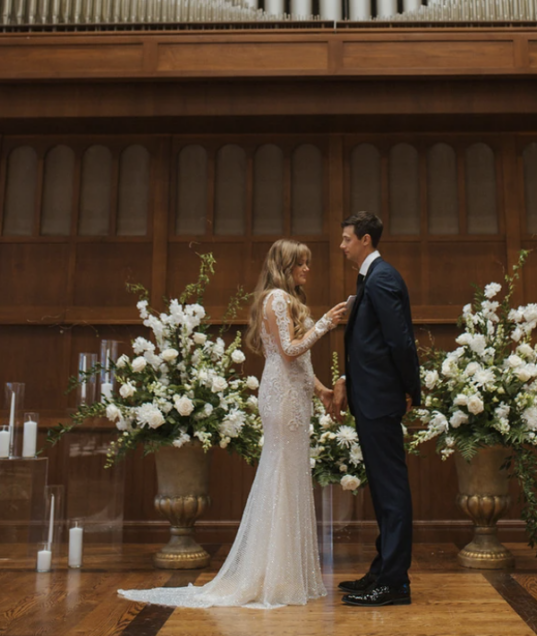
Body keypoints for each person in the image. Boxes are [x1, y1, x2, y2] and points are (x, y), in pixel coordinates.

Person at [119, 239, 346, 609]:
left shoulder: (290, 301)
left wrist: (320, 389)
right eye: (302, 264)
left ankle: (285, 573)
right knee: (279, 475)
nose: (308, 269)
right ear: (285, 267)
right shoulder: (275, 298)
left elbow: (300, 362)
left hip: (295, 392)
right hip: (281, 395)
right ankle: (269, 574)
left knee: (290, 476)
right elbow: (289, 351)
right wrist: (325, 324)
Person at [333, 211, 421, 607]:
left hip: (381, 399)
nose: (342, 245)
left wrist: (409, 389)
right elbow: (370, 345)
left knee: (391, 492)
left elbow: (399, 342)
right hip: (371, 396)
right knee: (385, 492)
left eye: (347, 239)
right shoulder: (372, 278)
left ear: (365, 240)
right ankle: (382, 569)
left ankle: (394, 582)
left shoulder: (382, 278)